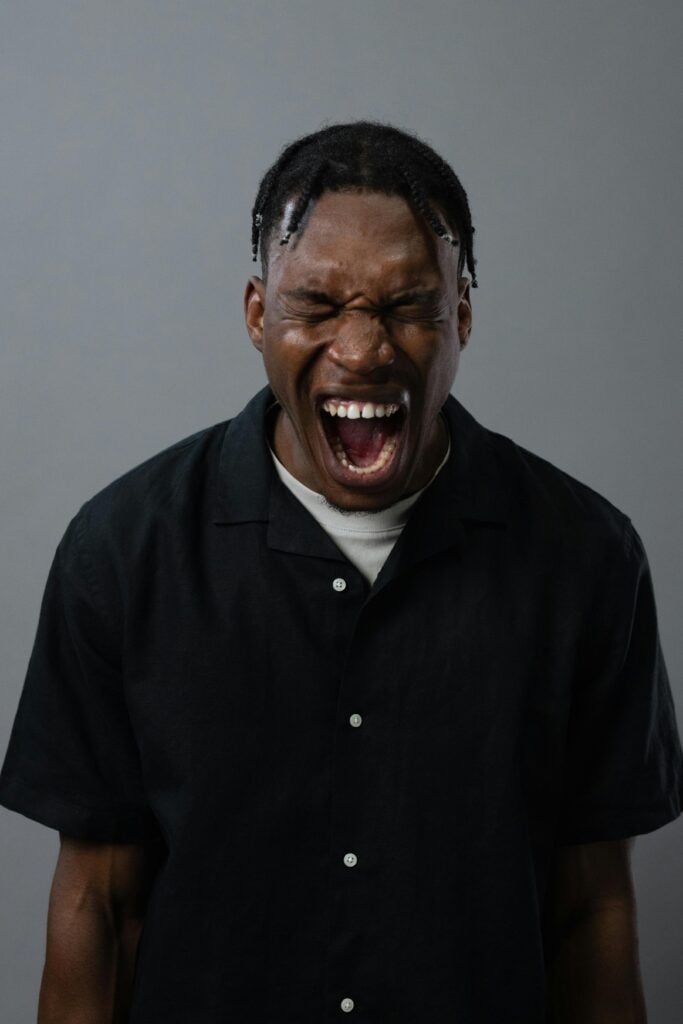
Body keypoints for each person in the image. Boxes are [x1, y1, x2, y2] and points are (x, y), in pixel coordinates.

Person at [1, 119, 681, 1024]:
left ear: (461, 317)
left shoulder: (585, 557)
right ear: (256, 313)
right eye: (316, 306)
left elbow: (590, 905)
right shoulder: (123, 552)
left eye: (406, 305)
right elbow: (98, 903)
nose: (362, 349)